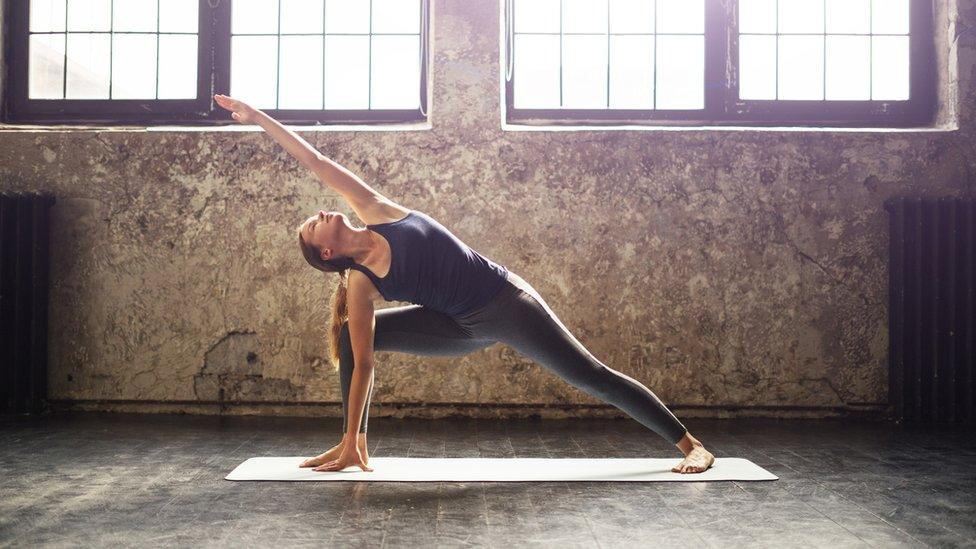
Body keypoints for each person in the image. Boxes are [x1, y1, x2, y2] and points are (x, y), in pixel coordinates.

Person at [214, 93, 715, 475]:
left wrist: (258, 119)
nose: (319, 212)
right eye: (312, 225)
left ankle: (691, 445)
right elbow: (363, 363)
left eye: (314, 214)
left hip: (505, 302)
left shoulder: (377, 212)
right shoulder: (363, 284)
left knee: (587, 375)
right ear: (326, 251)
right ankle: (355, 447)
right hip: (457, 328)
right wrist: (350, 433)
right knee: (350, 335)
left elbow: (316, 162)